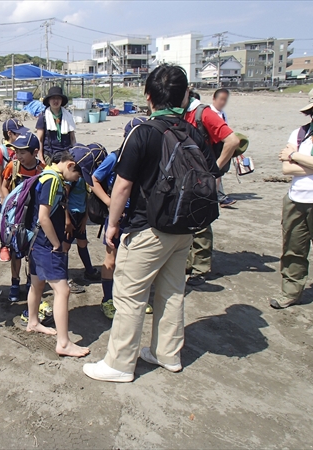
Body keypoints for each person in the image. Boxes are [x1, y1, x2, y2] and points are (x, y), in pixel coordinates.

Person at [82, 64, 218, 382]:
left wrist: (113, 225)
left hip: (148, 227)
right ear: (185, 96)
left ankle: (119, 364)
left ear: (148, 96)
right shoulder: (193, 132)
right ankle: (166, 353)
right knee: (171, 291)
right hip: (185, 226)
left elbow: (123, 186)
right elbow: (212, 170)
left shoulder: (142, 132)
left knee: (129, 295)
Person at [25, 148, 95, 358]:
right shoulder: (53, 180)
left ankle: (33, 321)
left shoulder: (45, 174)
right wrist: (56, 243)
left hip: (35, 242)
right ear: (70, 165)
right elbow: (44, 216)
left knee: (36, 284)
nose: (76, 180)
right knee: (62, 291)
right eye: (78, 176)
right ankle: (63, 343)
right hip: (47, 243)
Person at [90, 119, 154, 319]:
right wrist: (109, 202)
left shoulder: (149, 158)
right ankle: (107, 299)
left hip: (141, 216)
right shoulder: (115, 157)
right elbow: (94, 179)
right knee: (111, 258)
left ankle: (132, 298)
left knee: (137, 259)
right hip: (119, 215)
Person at [185, 89, 240, 286]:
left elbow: (232, 141)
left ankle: (201, 268)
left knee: (201, 222)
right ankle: (189, 262)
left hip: (201, 178)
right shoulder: (180, 113)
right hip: (185, 177)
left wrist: (212, 171)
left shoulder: (203, 113)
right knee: (186, 220)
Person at [269, 94, 313, 309]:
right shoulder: (300, 133)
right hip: (296, 199)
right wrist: (308, 162)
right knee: (294, 249)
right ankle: (291, 291)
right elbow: (285, 169)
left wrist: (295, 156)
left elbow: (290, 161)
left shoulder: (297, 144)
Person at [0, 131, 45, 302]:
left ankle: (29, 281)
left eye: (22, 152)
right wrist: (7, 204)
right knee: (15, 250)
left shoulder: (41, 169)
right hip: (17, 215)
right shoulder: (13, 167)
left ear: (34, 152)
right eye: (16, 152)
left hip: (33, 215)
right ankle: (14, 281)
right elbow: (4, 186)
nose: (18, 156)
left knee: (31, 248)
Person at [63, 144, 101, 290]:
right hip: (71, 213)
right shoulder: (73, 178)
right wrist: (67, 219)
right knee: (65, 246)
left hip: (80, 214)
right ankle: (63, 278)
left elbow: (86, 197)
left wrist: (85, 218)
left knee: (82, 242)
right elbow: (64, 199)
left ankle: (89, 271)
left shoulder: (85, 176)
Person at [0, 118, 29, 262]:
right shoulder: (1, 150)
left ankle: (16, 242)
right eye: (17, 133)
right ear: (9, 133)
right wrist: (2, 195)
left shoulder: (22, 148)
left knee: (17, 219)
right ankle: (4, 245)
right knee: (5, 221)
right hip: (5, 192)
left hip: (18, 192)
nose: (20, 136)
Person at [36, 86, 76, 165]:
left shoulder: (68, 116)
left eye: (58, 98)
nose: (56, 101)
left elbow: (72, 138)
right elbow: (39, 139)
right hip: (49, 154)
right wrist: (40, 157)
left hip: (66, 153)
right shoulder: (43, 117)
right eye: (53, 98)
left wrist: (75, 153)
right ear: (49, 100)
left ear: (61, 100)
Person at [210, 88, 236, 207]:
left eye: (225, 100)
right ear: (214, 99)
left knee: (220, 170)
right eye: (221, 99)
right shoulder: (208, 112)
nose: (223, 102)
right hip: (211, 145)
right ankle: (220, 197)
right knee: (216, 170)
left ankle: (218, 195)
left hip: (221, 145)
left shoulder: (223, 114)